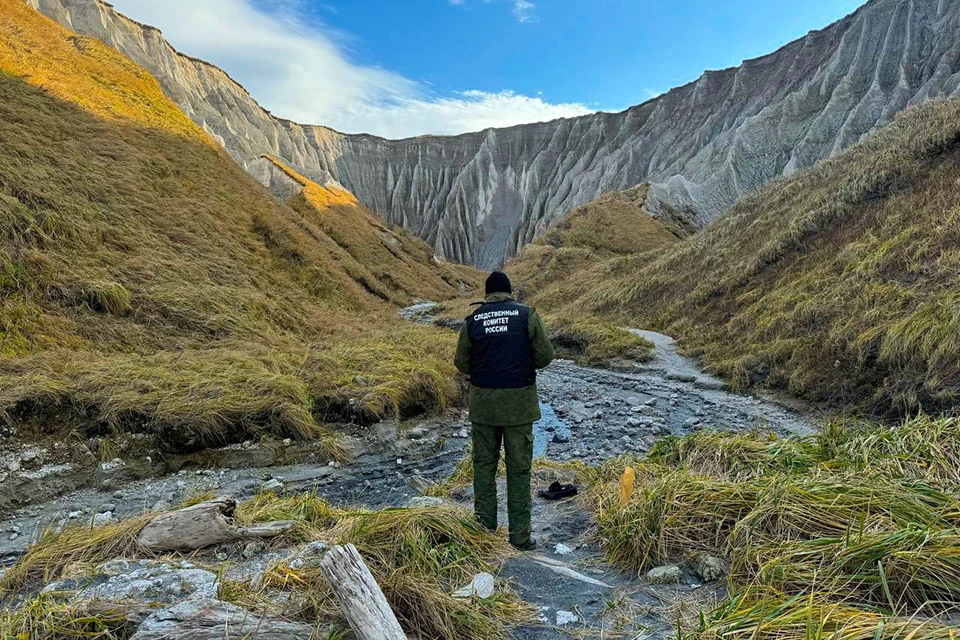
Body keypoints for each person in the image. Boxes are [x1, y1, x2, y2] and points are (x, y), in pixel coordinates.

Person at [454, 271, 554, 550]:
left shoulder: (472, 321)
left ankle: (485, 530)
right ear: (509, 292)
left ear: (487, 294)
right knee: (519, 469)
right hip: (518, 407)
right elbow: (545, 356)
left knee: (484, 468)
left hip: (484, 407)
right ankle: (520, 537)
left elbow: (461, 362)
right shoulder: (527, 316)